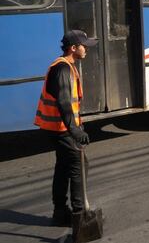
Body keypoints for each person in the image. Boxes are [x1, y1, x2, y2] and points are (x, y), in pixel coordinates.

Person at [33, 30, 97, 227]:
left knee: (63, 166)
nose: (86, 49)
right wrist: (75, 130)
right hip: (61, 128)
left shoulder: (66, 66)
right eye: (83, 45)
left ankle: (60, 212)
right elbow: (63, 102)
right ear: (73, 48)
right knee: (79, 165)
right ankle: (79, 215)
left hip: (57, 127)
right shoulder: (62, 69)